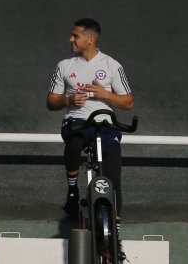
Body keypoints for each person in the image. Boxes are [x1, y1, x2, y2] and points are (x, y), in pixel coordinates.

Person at [46, 18, 134, 257]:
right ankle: (73, 191)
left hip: (105, 124)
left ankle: (115, 236)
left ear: (91, 39)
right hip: (77, 122)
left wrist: (106, 94)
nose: (71, 39)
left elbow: (128, 102)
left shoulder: (112, 65)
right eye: (72, 35)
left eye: (75, 36)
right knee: (73, 143)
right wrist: (68, 100)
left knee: (114, 177)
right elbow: (51, 101)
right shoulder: (65, 65)